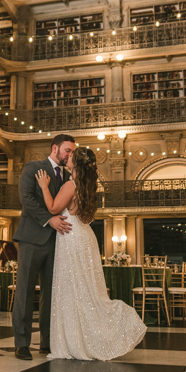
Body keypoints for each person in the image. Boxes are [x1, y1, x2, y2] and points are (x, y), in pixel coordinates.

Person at [35, 148, 147, 361]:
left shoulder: (70, 185)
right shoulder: (88, 186)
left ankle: (77, 340)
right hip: (85, 236)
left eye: (70, 157)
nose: (66, 158)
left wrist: (44, 186)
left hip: (72, 238)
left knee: (73, 289)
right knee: (86, 290)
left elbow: (52, 208)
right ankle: (85, 338)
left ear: (75, 164)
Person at [12, 134, 76, 361]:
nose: (70, 155)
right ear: (55, 148)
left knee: (51, 294)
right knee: (25, 292)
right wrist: (49, 220)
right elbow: (26, 198)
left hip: (57, 241)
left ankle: (47, 342)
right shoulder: (34, 167)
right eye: (67, 150)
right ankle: (21, 344)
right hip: (31, 238)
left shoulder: (68, 176)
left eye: (72, 152)